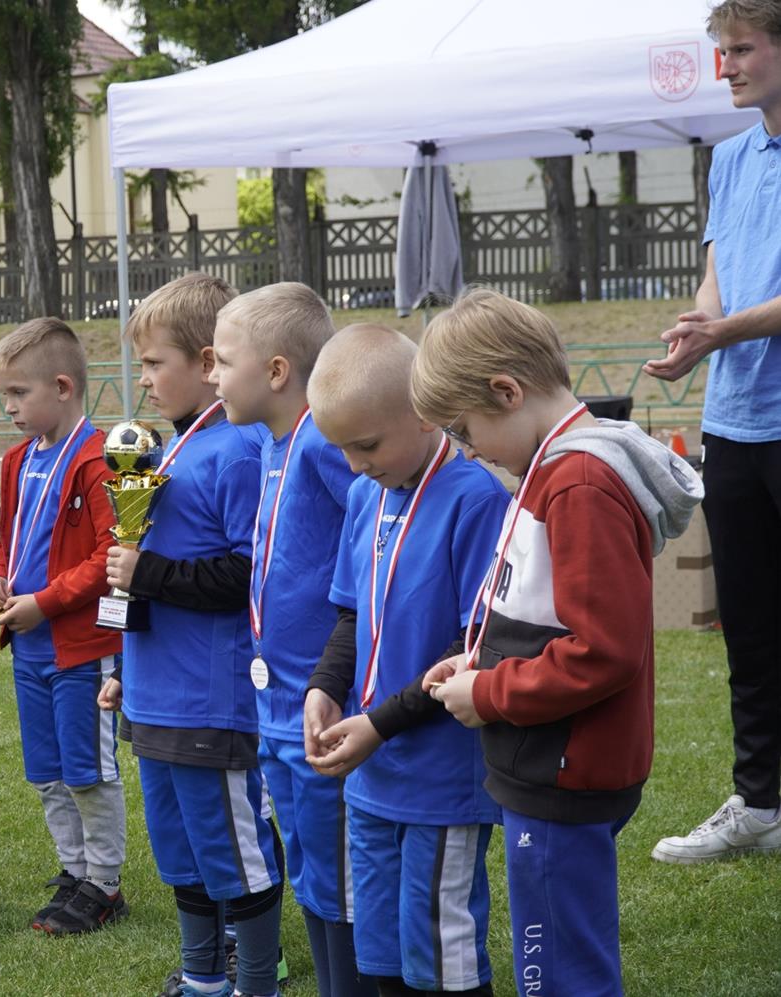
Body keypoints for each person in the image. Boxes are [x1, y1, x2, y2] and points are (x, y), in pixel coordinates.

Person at [419, 289, 702, 995]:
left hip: (562, 769)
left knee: (557, 970)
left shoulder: (576, 482)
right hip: (549, 757)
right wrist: (476, 657)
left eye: (465, 429)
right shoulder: (549, 469)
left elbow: (603, 649)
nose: (467, 449)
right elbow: (540, 606)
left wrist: (488, 692)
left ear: (506, 391)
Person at [302, 325, 508, 996]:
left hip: (440, 782)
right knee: (381, 952)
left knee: (438, 953)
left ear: (424, 413)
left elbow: (473, 645)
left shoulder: (477, 500)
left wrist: (379, 724)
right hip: (371, 776)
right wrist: (324, 687)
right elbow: (351, 612)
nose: (354, 464)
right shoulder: (366, 494)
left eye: (366, 445)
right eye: (341, 448)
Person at [99, 272, 284, 997]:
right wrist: (124, 661)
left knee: (233, 854)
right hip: (155, 696)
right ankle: (204, 978)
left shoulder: (237, 451)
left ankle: (258, 982)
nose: (143, 380)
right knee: (182, 853)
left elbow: (247, 575)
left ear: (209, 363)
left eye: (154, 363)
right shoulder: (173, 449)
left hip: (210, 701)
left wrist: (148, 572)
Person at [644, 0, 781, 864]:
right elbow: (717, 276)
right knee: (752, 627)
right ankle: (759, 804)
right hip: (733, 424)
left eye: (740, 50)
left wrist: (724, 329)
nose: (724, 66)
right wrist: (699, 330)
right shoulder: (729, 159)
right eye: (720, 51)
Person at [209, 284, 369, 997]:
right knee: (307, 867)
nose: (213, 374)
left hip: (323, 703)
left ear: (276, 371)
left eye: (223, 361)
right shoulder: (270, 443)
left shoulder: (322, 443)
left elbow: (371, 541)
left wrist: (337, 675)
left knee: (339, 877)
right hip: (276, 708)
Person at [0, 320, 128, 936]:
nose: (9, 407)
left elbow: (109, 555)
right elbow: (7, 540)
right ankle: (74, 870)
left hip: (82, 646)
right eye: (4, 395)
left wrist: (44, 601)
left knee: (86, 770)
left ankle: (105, 884)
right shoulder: (18, 460)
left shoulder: (100, 460)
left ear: (63, 387)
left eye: (19, 393)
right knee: (46, 770)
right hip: (30, 646)